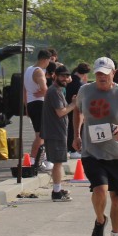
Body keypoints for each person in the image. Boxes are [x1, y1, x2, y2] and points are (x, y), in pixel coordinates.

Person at [75, 57, 118, 236]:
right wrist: (76, 134)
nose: (101, 77)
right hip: (92, 151)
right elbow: (78, 110)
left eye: (105, 73)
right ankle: (100, 220)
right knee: (100, 189)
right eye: (98, 73)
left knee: (116, 197)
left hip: (117, 153)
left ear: (113, 73)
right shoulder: (85, 90)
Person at [41, 64, 78, 202]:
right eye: (62, 76)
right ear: (55, 76)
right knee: (57, 162)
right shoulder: (54, 91)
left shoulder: (58, 90)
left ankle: (58, 188)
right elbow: (61, 112)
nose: (65, 78)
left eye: (67, 76)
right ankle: (56, 192)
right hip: (55, 132)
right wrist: (73, 104)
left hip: (57, 131)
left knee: (59, 162)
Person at [23, 49, 52, 171]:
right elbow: (45, 89)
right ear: (45, 59)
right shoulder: (39, 71)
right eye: (49, 61)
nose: (49, 64)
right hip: (39, 103)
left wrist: (26, 107)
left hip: (31, 103)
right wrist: (44, 93)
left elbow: (24, 90)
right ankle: (36, 159)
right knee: (41, 135)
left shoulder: (28, 69)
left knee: (39, 134)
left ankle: (35, 159)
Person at [66, 62, 90, 159]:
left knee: (70, 129)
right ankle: (74, 150)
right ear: (85, 73)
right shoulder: (80, 85)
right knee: (76, 128)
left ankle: (69, 149)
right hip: (76, 108)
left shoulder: (69, 79)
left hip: (67, 107)